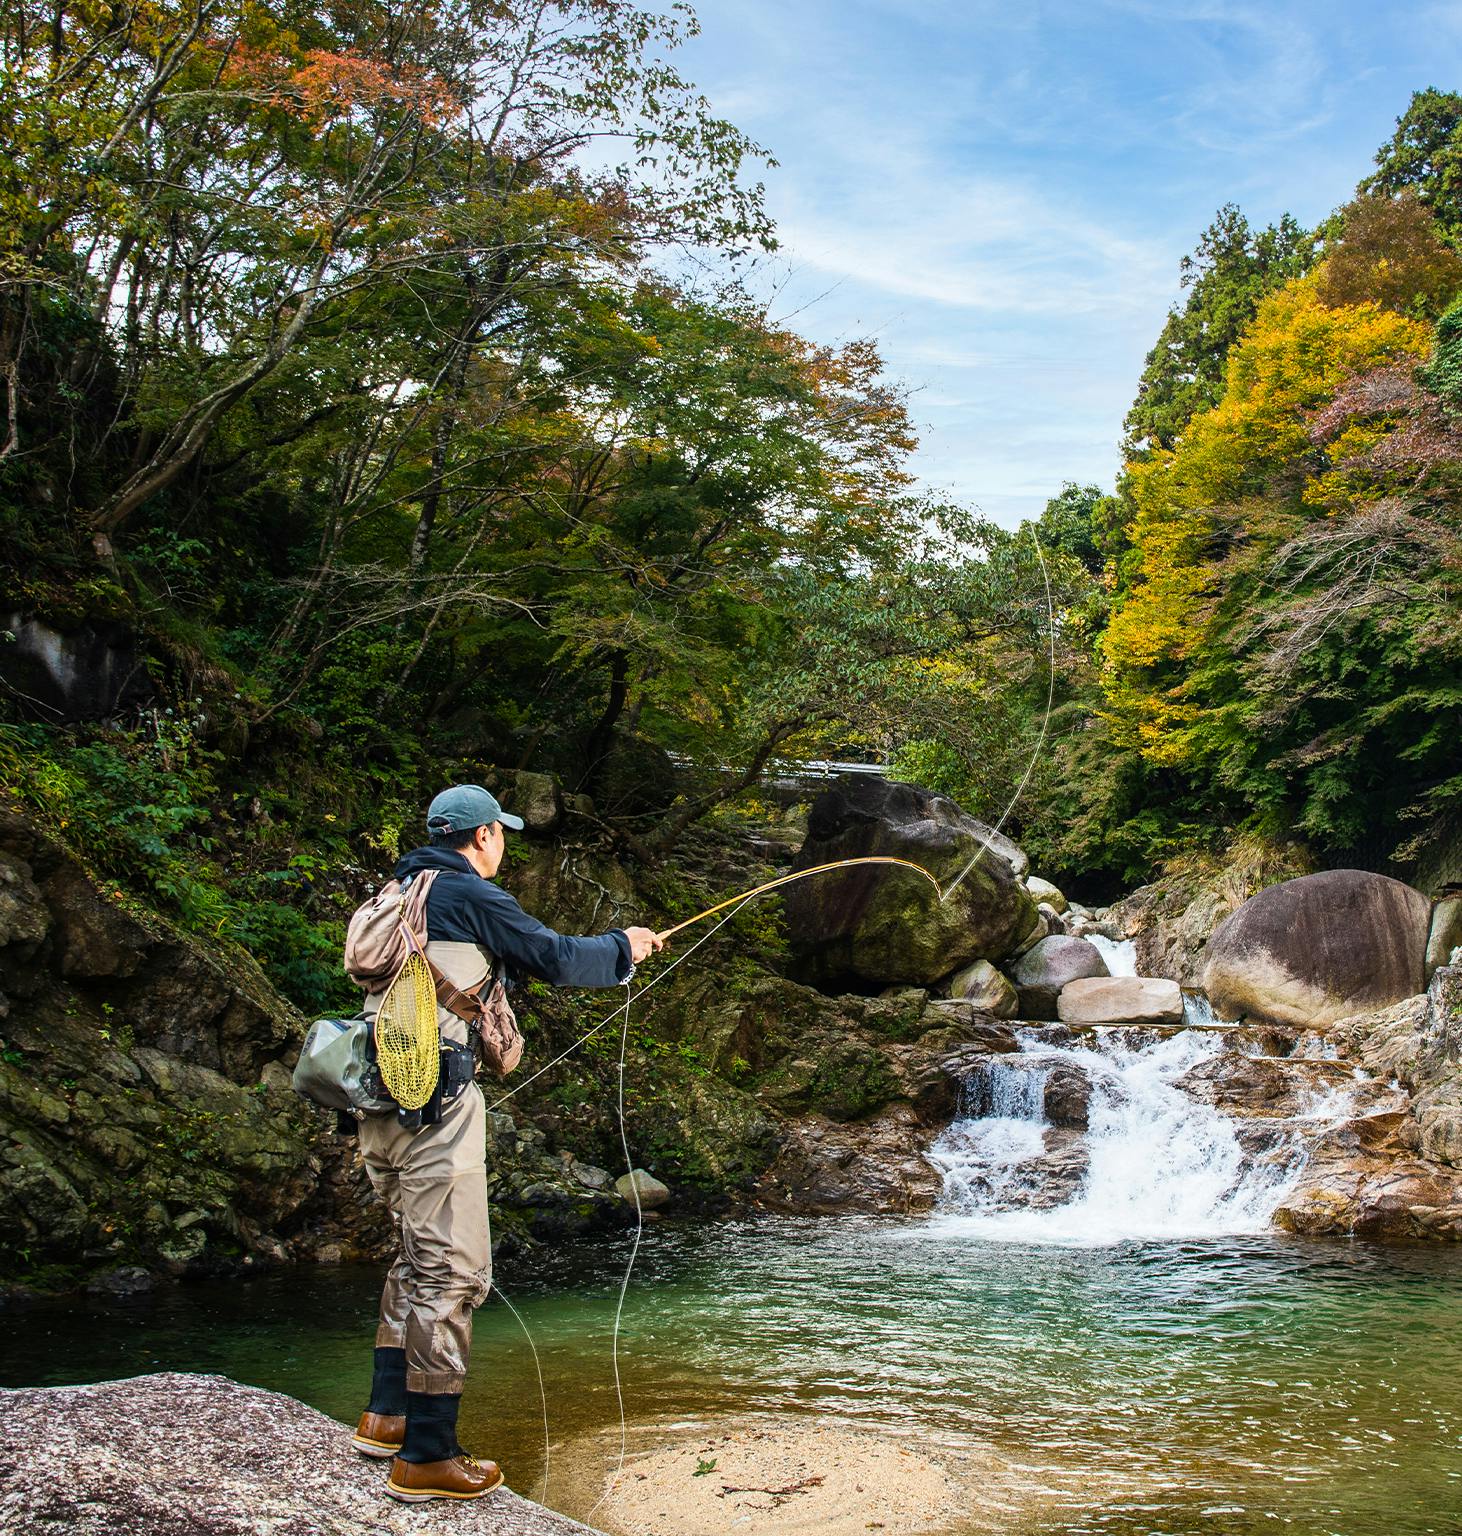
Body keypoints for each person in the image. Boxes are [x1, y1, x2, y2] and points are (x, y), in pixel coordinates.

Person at [350, 783, 663, 1503]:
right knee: (452, 1274)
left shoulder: (400, 891)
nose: (504, 846)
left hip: (381, 1102)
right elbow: (555, 956)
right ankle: (428, 1455)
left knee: (414, 1258)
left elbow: (489, 965)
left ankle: (385, 1417)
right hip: (439, 1106)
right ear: (484, 836)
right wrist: (626, 948)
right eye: (502, 834)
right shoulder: (467, 894)